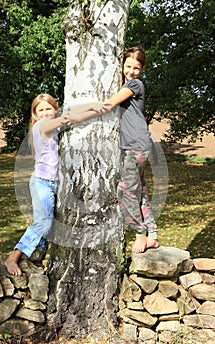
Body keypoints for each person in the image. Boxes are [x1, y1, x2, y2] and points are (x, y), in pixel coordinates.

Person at [64, 46, 159, 254]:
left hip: (135, 144)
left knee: (125, 190)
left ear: (141, 70)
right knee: (139, 190)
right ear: (122, 66)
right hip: (135, 144)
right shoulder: (124, 84)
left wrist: (77, 118)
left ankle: (140, 233)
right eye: (128, 66)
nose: (131, 71)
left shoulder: (135, 85)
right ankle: (152, 234)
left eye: (136, 67)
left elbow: (107, 105)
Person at [5, 94, 108, 276]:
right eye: (40, 110)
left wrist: (94, 107)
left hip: (54, 184)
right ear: (35, 115)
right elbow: (69, 117)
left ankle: (36, 260)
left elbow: (70, 116)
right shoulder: (42, 126)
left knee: (50, 226)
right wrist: (93, 108)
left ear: (55, 109)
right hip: (41, 183)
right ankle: (13, 257)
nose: (45, 113)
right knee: (44, 224)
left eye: (48, 109)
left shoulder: (54, 127)